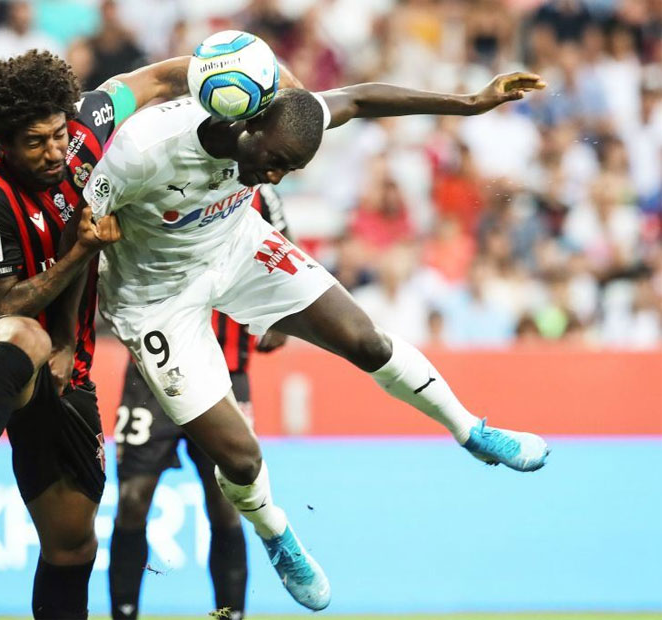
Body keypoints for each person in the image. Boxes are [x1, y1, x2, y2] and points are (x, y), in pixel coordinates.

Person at [82, 72, 552, 611]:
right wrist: (71, 326)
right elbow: (77, 225)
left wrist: (468, 102)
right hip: (155, 300)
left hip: (237, 250)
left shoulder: (283, 121)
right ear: (247, 124)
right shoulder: (143, 150)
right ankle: (277, 532)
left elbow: (359, 97)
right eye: (276, 161)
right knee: (239, 460)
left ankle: (471, 431)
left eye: (291, 170)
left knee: (365, 340)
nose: (276, 177)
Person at [0, 50, 214, 620]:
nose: (56, 150)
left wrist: (257, 78)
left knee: (73, 545)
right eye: (36, 142)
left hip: (70, 374)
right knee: (25, 338)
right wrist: (83, 250)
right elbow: (0, 303)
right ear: (2, 142)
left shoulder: (87, 125)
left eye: (59, 134)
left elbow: (158, 77)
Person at [109, 186, 288, 620]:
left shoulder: (261, 191)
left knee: (227, 505)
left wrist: (277, 318)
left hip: (226, 376)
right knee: (133, 498)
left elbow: (285, 261)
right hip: (152, 373)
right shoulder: (155, 174)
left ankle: (231, 616)